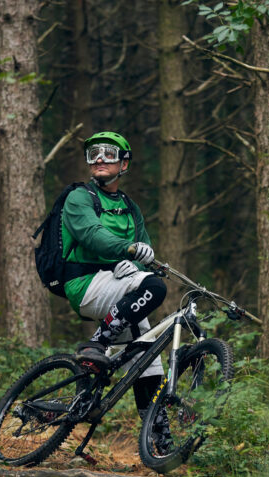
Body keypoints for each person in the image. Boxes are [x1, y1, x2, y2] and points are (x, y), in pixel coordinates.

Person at [61, 131, 168, 438]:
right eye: (93, 153)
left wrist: (135, 261)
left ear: (124, 163)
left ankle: (158, 441)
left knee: (147, 357)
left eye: (108, 153)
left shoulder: (131, 208)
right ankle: (97, 344)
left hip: (119, 287)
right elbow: (91, 234)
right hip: (84, 283)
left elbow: (142, 251)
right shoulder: (79, 197)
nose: (99, 159)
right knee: (155, 289)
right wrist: (126, 251)